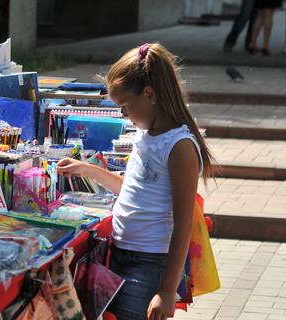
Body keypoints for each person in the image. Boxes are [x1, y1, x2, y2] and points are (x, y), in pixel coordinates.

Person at [56, 43, 216, 320]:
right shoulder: (146, 134)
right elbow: (132, 189)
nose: (124, 115)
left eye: (125, 107)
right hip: (121, 253)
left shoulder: (179, 146)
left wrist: (166, 291)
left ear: (150, 94)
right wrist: (87, 170)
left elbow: (183, 223)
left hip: (149, 263)